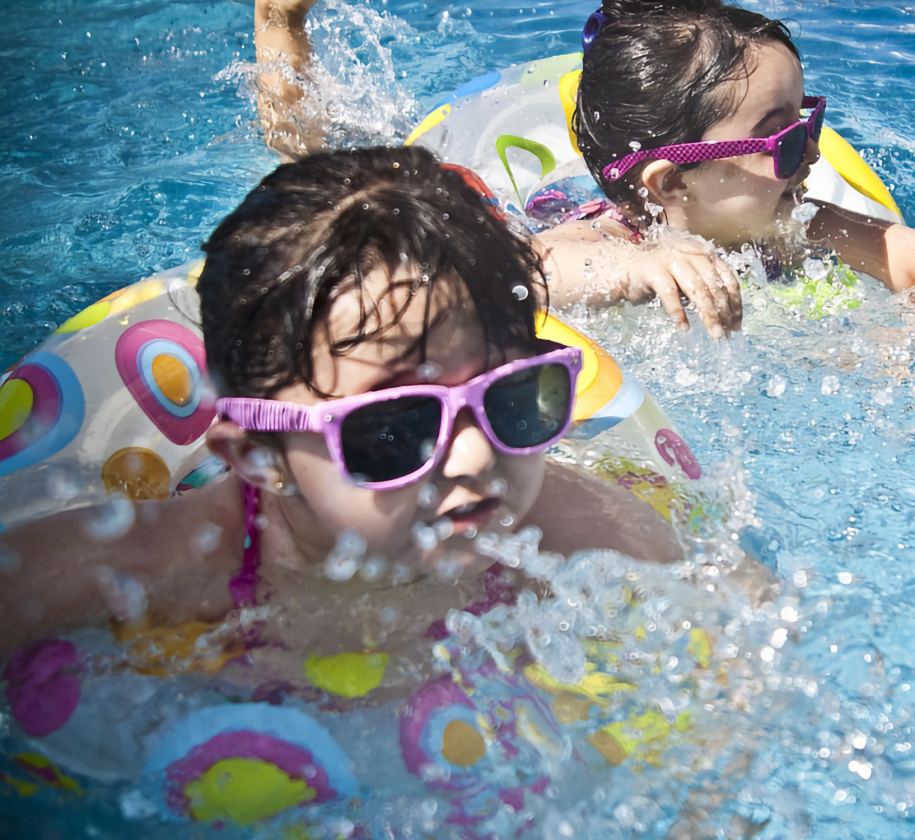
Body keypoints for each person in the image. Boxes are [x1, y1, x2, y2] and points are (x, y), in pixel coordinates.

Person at [0, 146, 681, 664]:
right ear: (259, 457)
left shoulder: (579, 535)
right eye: (397, 427)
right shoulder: (146, 572)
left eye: (511, 400)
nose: (477, 456)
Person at [250, 0, 915, 341]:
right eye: (782, 143)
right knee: (325, 170)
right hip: (526, 204)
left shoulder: (800, 225)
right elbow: (507, 280)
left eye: (808, 122)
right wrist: (633, 272)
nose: (812, 156)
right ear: (669, 184)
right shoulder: (606, 243)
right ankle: (281, 23)